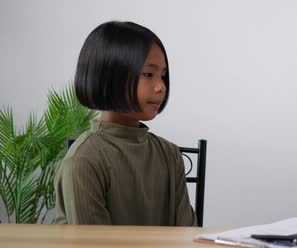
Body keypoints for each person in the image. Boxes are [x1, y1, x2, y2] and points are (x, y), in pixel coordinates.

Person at [54, 21, 195, 226]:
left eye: (163, 76)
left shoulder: (170, 154)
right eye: (148, 74)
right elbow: (92, 243)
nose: (161, 87)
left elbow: (187, 235)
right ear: (111, 77)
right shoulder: (84, 160)